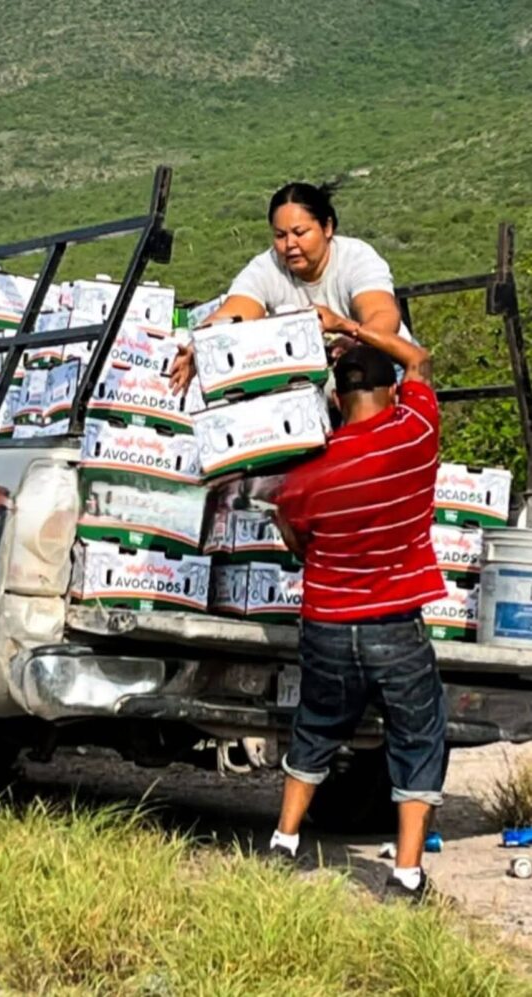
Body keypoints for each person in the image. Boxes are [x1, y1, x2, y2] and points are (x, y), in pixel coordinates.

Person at [270, 327, 447, 904]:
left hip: (326, 624)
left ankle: (283, 842)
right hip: (395, 624)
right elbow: (418, 359)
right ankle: (406, 876)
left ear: (337, 399)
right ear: (389, 392)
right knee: (416, 738)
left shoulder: (310, 473)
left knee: (317, 728)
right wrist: (348, 326)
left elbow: (299, 543)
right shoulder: (414, 433)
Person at [169, 181, 411, 395]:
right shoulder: (266, 267)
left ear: (327, 228)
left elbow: (383, 316)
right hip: (313, 379)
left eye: (300, 233)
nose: (290, 244)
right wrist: (198, 345)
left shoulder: (356, 258)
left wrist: (353, 339)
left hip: (381, 366)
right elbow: (234, 312)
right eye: (280, 235)